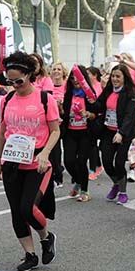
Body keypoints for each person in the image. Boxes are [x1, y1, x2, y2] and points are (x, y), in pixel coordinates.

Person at [0, 51, 60, 271]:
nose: (14, 85)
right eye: (9, 81)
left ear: (30, 75)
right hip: (12, 163)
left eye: (18, 81)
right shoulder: (7, 100)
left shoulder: (45, 99)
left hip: (37, 163)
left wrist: (45, 154)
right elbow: (3, 133)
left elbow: (55, 131)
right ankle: (30, 254)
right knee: (16, 211)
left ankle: (46, 237)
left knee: (27, 208)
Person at [94, 64, 135, 204]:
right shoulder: (108, 90)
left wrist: (121, 132)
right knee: (106, 161)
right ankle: (116, 184)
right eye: (113, 76)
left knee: (119, 163)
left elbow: (129, 116)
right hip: (108, 130)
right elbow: (99, 105)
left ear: (124, 78)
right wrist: (91, 102)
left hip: (124, 133)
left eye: (118, 76)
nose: (115, 79)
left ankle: (123, 192)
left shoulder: (130, 93)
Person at [62, 65, 96, 202]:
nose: (75, 80)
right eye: (72, 77)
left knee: (82, 162)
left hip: (85, 133)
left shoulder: (89, 95)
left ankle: (84, 190)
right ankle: (78, 180)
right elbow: (64, 113)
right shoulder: (69, 94)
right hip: (70, 132)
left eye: (78, 77)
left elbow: (97, 112)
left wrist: (88, 114)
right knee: (69, 161)